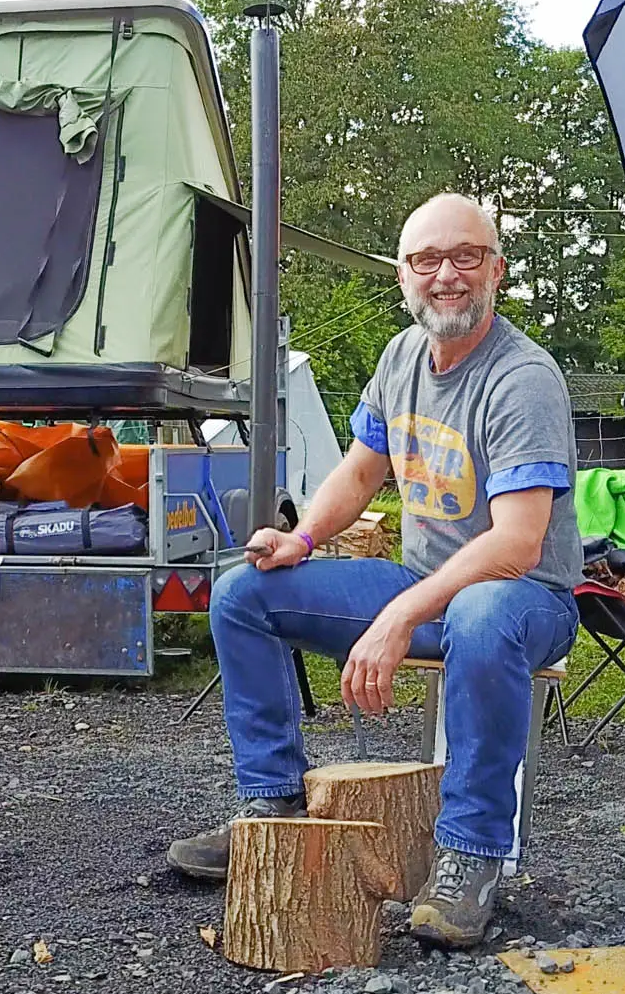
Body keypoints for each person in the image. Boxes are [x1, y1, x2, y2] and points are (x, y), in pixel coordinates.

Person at [166, 193, 584, 949]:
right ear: (403, 273)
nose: (447, 276)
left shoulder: (522, 378)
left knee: (484, 615)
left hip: (529, 602)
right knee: (241, 593)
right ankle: (273, 807)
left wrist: (395, 619)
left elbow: (519, 544)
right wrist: (304, 537)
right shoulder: (400, 359)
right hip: (427, 587)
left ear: (497, 270)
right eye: (428, 260)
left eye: (466, 257)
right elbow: (361, 473)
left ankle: (471, 856)